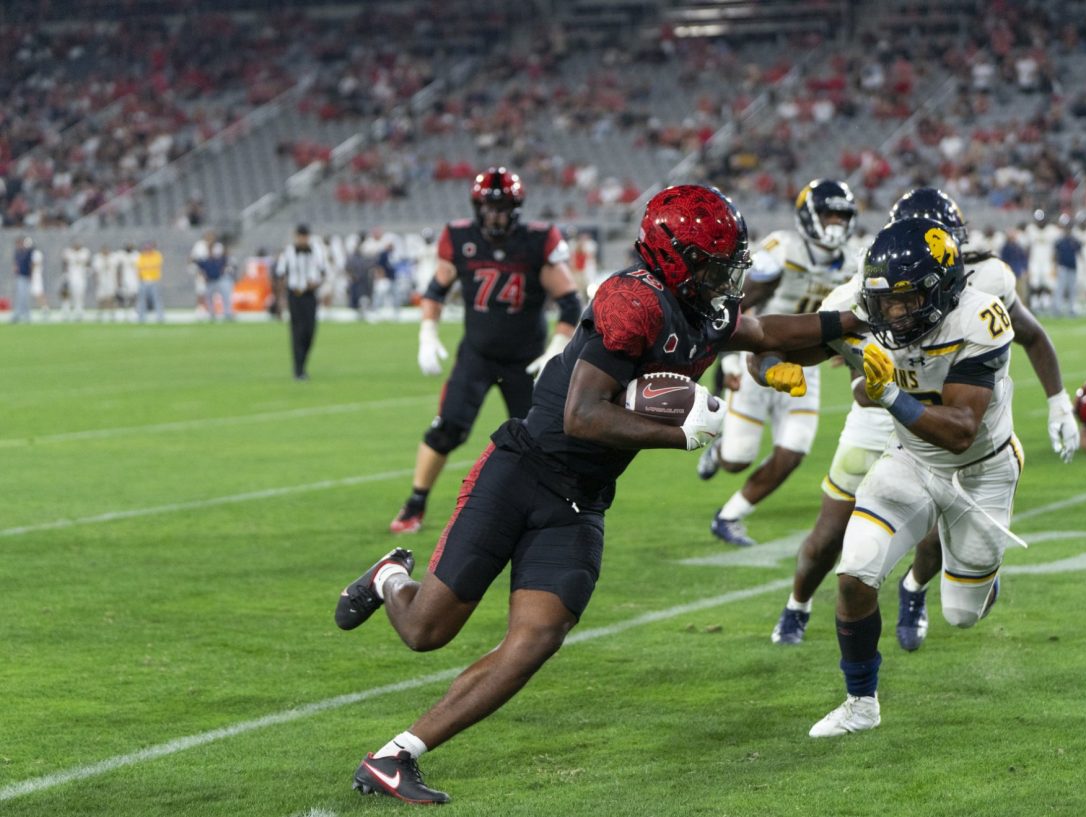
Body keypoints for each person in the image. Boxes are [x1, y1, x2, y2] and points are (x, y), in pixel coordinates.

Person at [333, 184, 863, 803]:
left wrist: (856, 321)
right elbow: (582, 416)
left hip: (582, 498)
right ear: (674, 255)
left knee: (537, 638)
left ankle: (396, 757)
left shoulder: (701, 307)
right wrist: (681, 434)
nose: (724, 276)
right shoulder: (632, 298)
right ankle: (390, 579)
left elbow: (767, 328)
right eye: (714, 263)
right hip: (523, 472)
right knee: (426, 631)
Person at [769, 188, 1076, 652]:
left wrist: (1059, 402)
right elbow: (797, 342)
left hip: (951, 420)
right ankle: (798, 604)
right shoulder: (868, 288)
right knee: (833, 529)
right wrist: (768, 363)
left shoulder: (985, 286)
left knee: (943, 537)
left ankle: (918, 587)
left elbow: (1030, 338)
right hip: (880, 414)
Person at [765, 216, 1023, 738]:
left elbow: (959, 430)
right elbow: (770, 335)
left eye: (908, 300)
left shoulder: (980, 319)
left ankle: (979, 572)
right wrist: (767, 366)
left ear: (946, 287)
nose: (895, 313)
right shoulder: (867, 307)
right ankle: (861, 704)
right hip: (911, 460)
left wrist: (886, 395)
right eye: (886, 301)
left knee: (961, 616)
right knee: (855, 570)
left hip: (981, 469)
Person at [388, 168, 581, 534]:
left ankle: (548, 509)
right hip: (476, 355)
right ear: (477, 207)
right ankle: (415, 503)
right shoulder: (459, 237)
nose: (496, 215)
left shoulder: (537, 240)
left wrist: (556, 347)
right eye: (489, 207)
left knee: (541, 439)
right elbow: (435, 290)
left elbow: (570, 304)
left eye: (504, 207)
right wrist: (427, 333)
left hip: (527, 360)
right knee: (446, 430)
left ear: (517, 207)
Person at [698, 178, 859, 547]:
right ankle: (719, 451)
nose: (835, 222)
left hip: (806, 364)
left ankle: (729, 516)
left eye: (841, 215)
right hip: (762, 355)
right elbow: (738, 303)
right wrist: (730, 364)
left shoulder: (854, 260)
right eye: (827, 213)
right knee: (738, 458)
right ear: (808, 216)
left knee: (793, 451)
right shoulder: (782, 249)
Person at [274, 224, 329, 380]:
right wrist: (280, 301)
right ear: (295, 236)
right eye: (300, 236)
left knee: (310, 331)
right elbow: (280, 275)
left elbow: (324, 271)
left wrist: (316, 284)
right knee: (297, 332)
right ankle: (298, 369)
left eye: (305, 236)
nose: (303, 239)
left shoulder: (316, 250)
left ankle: (303, 363)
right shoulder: (288, 252)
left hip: (310, 295)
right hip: (295, 294)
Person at [1021, 209, 1061, 314]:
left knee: (1048, 283)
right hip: (1034, 260)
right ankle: (1035, 304)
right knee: (1035, 283)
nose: (1040, 222)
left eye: (1042, 220)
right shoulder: (1030, 230)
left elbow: (1057, 247)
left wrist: (1055, 263)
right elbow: (1026, 247)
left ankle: (1046, 304)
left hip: (1048, 260)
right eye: (1038, 220)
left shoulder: (1052, 230)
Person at [192, 230, 234, 321]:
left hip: (220, 277)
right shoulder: (200, 247)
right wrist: (201, 274)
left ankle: (228, 314)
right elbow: (197, 262)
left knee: (226, 297)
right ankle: (211, 314)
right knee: (207, 298)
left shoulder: (219, 247)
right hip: (209, 279)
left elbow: (225, 259)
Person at [1051, 213, 1081, 317]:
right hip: (1062, 266)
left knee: (1073, 289)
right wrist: (1054, 267)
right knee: (1060, 288)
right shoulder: (1059, 240)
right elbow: (1055, 254)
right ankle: (1057, 308)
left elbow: (1079, 253)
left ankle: (1072, 308)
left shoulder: (1075, 240)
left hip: (1073, 267)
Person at [10, 236, 43, 323]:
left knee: (25, 296)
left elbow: (31, 264)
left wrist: (31, 276)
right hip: (20, 276)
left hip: (26, 276)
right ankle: (19, 314)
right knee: (20, 296)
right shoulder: (18, 253)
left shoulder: (28, 252)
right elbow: (16, 264)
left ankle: (25, 314)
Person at [135, 241, 165, 323]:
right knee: (142, 300)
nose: (148, 249)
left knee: (157, 300)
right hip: (144, 281)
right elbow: (139, 267)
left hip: (154, 280)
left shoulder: (157, 255)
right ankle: (141, 318)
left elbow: (156, 265)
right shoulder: (141, 256)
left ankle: (160, 317)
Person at [61, 240, 91, 321]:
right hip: (70, 276)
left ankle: (79, 312)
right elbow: (64, 263)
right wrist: (65, 275)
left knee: (79, 295)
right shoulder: (68, 252)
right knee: (67, 295)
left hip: (81, 277)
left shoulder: (85, 252)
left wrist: (87, 271)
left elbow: (88, 263)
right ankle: (66, 312)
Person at [92, 245, 119, 322]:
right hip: (102, 280)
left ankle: (112, 314)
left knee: (111, 297)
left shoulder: (113, 257)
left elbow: (116, 270)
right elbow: (96, 271)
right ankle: (100, 313)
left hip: (111, 280)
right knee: (100, 298)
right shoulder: (98, 258)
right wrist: (96, 281)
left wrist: (117, 281)